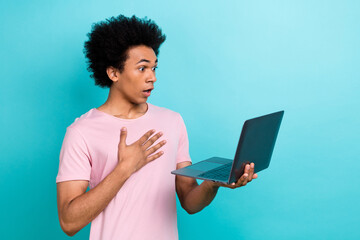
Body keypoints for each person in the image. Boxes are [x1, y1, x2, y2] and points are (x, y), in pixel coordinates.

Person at [56, 14, 258, 240]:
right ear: (113, 73)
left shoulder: (172, 121)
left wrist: (212, 184)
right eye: (142, 68)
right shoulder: (82, 132)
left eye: (154, 68)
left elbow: (189, 200)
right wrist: (125, 168)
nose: (152, 77)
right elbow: (69, 221)